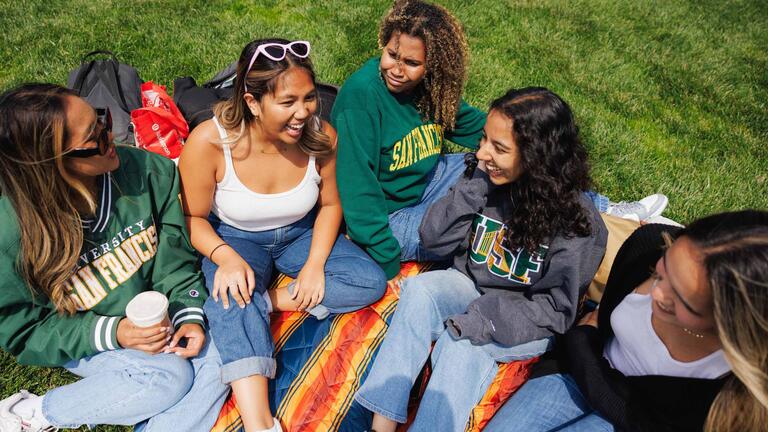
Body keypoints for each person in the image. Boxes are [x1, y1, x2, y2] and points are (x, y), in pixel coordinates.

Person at [331, 0, 665, 284]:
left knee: (506, 163)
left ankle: (606, 208)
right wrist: (387, 261)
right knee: (489, 217)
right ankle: (595, 250)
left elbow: (468, 124)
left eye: (412, 63)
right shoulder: (361, 98)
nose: (397, 69)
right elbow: (359, 191)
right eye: (391, 55)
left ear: (432, 65)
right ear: (384, 45)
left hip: (429, 180)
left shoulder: (426, 89)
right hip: (393, 216)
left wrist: (522, 142)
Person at [355, 87, 608, 432]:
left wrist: (484, 320)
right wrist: (475, 186)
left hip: (525, 314)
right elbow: (434, 237)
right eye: (484, 139)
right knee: (421, 290)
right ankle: (381, 422)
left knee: (461, 345)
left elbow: (554, 311)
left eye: (499, 148)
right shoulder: (484, 176)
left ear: (537, 157)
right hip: (471, 283)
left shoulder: (578, 225)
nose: (482, 152)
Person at [178, 38, 387, 432]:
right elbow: (191, 218)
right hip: (235, 238)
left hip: (298, 234)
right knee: (228, 297)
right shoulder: (209, 141)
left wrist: (313, 265)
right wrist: (224, 257)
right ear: (252, 102)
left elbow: (330, 206)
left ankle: (267, 301)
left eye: (309, 98)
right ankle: (260, 423)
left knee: (368, 280)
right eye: (288, 102)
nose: (304, 112)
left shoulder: (320, 135)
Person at [0, 84, 227, 432]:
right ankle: (32, 412)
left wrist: (188, 316)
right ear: (50, 166)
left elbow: (175, 263)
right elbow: (25, 330)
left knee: (218, 353)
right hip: (86, 336)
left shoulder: (151, 173)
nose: (111, 137)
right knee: (169, 375)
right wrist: (114, 332)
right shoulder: (11, 234)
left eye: (102, 121)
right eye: (96, 138)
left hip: (158, 321)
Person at [484, 210, 768, 432]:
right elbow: (589, 323)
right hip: (574, 374)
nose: (657, 293)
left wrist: (583, 343)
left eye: (681, 300)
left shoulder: (739, 380)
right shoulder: (646, 246)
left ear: (729, 324)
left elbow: (644, 423)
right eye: (663, 270)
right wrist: (583, 349)